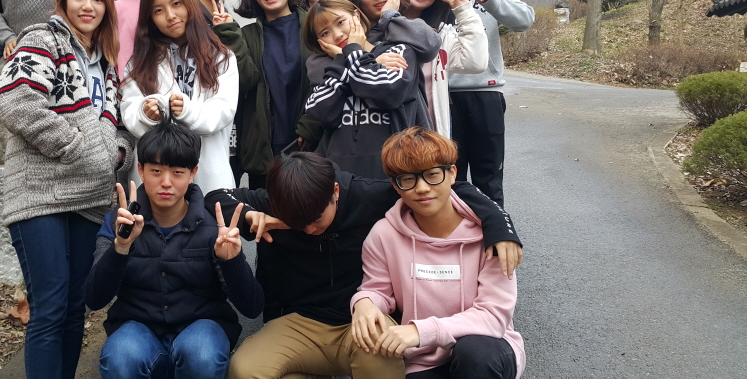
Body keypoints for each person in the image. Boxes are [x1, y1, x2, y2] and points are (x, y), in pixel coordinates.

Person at [205, 151, 522, 379]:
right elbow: (215, 197)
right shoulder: (279, 200)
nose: (309, 229)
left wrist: (500, 224)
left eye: (316, 219)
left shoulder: (368, 197)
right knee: (244, 369)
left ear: (335, 192)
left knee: (382, 350)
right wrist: (249, 214)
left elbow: (449, 188)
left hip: (361, 321)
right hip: (300, 323)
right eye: (298, 223)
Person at [0, 0, 132, 379]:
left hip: (88, 197)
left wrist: (117, 156)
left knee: (75, 306)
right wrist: (75, 148)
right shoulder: (42, 40)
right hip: (40, 193)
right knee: (50, 306)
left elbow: (121, 126)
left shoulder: (107, 63)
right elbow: (18, 103)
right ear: (63, 0)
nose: (88, 6)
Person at [87, 118, 264, 379]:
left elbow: (252, 307)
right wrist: (121, 246)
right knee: (121, 357)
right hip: (137, 329)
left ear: (193, 173)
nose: (166, 182)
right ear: (141, 170)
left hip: (201, 331)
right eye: (156, 171)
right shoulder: (119, 223)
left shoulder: (213, 227)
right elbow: (94, 298)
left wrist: (232, 261)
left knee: (201, 353)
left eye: (178, 172)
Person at [351, 127, 525, 378]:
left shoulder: (492, 238)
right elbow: (378, 290)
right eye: (408, 179)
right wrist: (365, 303)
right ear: (395, 185)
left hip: (487, 347)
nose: (422, 188)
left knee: (474, 353)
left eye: (432, 175)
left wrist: (421, 331)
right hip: (421, 358)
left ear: (452, 173)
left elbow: (493, 316)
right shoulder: (383, 234)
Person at [436, 0, 535, 206]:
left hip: (485, 92)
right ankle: (455, 232)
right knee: (449, 177)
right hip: (442, 95)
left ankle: (493, 229)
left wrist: (491, 1)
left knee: (488, 177)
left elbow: (524, 20)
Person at [121, 0, 238, 194]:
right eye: (158, 10)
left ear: (189, 3)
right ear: (149, 18)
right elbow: (129, 111)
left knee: (210, 215)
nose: (170, 15)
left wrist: (187, 111)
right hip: (156, 177)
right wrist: (146, 114)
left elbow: (224, 110)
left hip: (208, 172)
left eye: (176, 4)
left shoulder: (221, 57)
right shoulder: (140, 62)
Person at [211, 0, 322, 189]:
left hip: (309, 148)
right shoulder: (247, 35)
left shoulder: (314, 27)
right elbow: (245, 81)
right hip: (264, 153)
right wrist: (229, 34)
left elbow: (327, 80)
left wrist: (312, 125)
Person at [304, 0, 438, 179]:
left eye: (341, 22)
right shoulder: (329, 67)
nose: (337, 34)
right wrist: (347, 60)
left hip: (398, 170)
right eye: (325, 33)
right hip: (341, 176)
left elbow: (387, 91)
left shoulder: (398, 50)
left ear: (357, 15)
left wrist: (355, 56)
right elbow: (318, 111)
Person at [394, 0, 487, 138]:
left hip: (427, 141)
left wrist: (463, 10)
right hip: (382, 137)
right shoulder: (379, 25)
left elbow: (476, 62)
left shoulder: (440, 36)